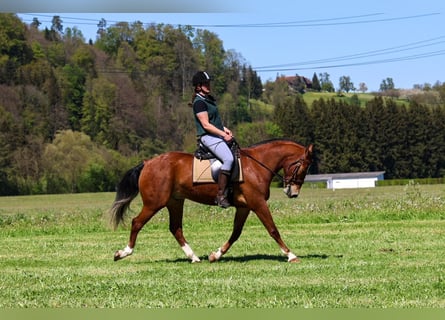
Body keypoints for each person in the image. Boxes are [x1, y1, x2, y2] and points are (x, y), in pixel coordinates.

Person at [191, 71, 234, 208]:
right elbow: (206, 125)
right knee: (229, 159)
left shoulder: (209, 99)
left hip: (215, 134)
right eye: (205, 83)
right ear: (198, 86)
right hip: (207, 137)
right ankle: (221, 195)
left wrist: (224, 128)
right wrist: (223, 134)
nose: (208, 85)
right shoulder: (199, 103)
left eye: (208, 83)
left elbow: (214, 121)